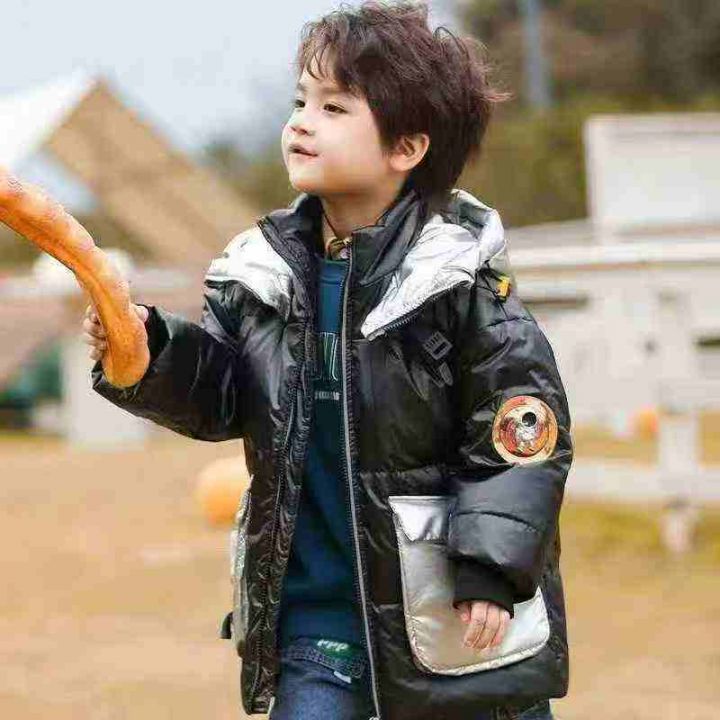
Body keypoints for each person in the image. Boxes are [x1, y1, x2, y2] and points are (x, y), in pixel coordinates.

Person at [82, 2, 574, 719]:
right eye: (300, 101)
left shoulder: (460, 289)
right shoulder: (260, 276)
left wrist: (491, 571)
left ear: (406, 148)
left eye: (334, 107)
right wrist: (149, 352)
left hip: (446, 624)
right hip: (315, 629)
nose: (302, 122)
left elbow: (519, 442)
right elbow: (224, 393)